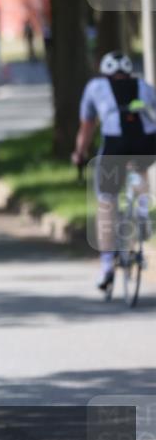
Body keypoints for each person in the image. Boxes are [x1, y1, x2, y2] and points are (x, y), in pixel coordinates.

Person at [72, 51, 156, 292]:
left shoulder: (95, 86)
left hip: (115, 145)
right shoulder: (144, 85)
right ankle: (142, 211)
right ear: (129, 72)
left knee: (106, 201)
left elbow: (87, 127)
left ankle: (107, 265)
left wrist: (79, 153)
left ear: (105, 71)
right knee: (140, 170)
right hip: (147, 142)